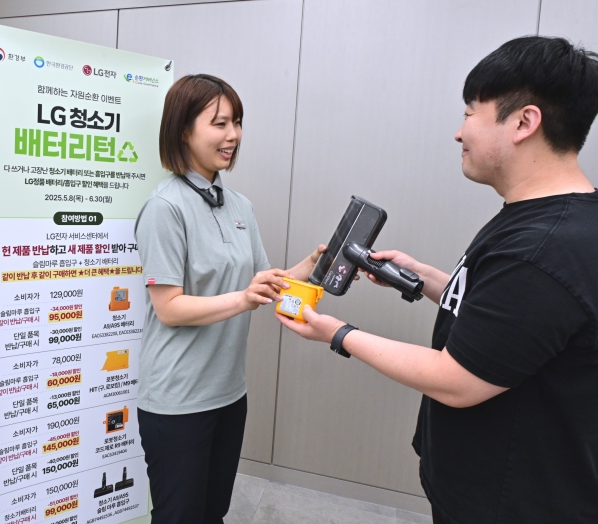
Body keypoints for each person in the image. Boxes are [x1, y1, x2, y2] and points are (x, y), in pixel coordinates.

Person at [279, 36, 598, 524]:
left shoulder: (542, 248)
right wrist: (425, 277)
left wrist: (337, 333)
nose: (458, 132)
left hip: (508, 503)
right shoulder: (547, 221)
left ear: (524, 122)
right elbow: (508, 317)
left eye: (470, 113)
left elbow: (457, 380)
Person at [134, 74, 323, 524]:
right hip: (177, 400)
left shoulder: (239, 205)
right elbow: (169, 308)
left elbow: (265, 282)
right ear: (183, 130)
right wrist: (243, 299)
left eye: (236, 122)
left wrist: (316, 262)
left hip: (229, 393)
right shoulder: (165, 208)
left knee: (213, 513)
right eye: (219, 123)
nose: (233, 135)